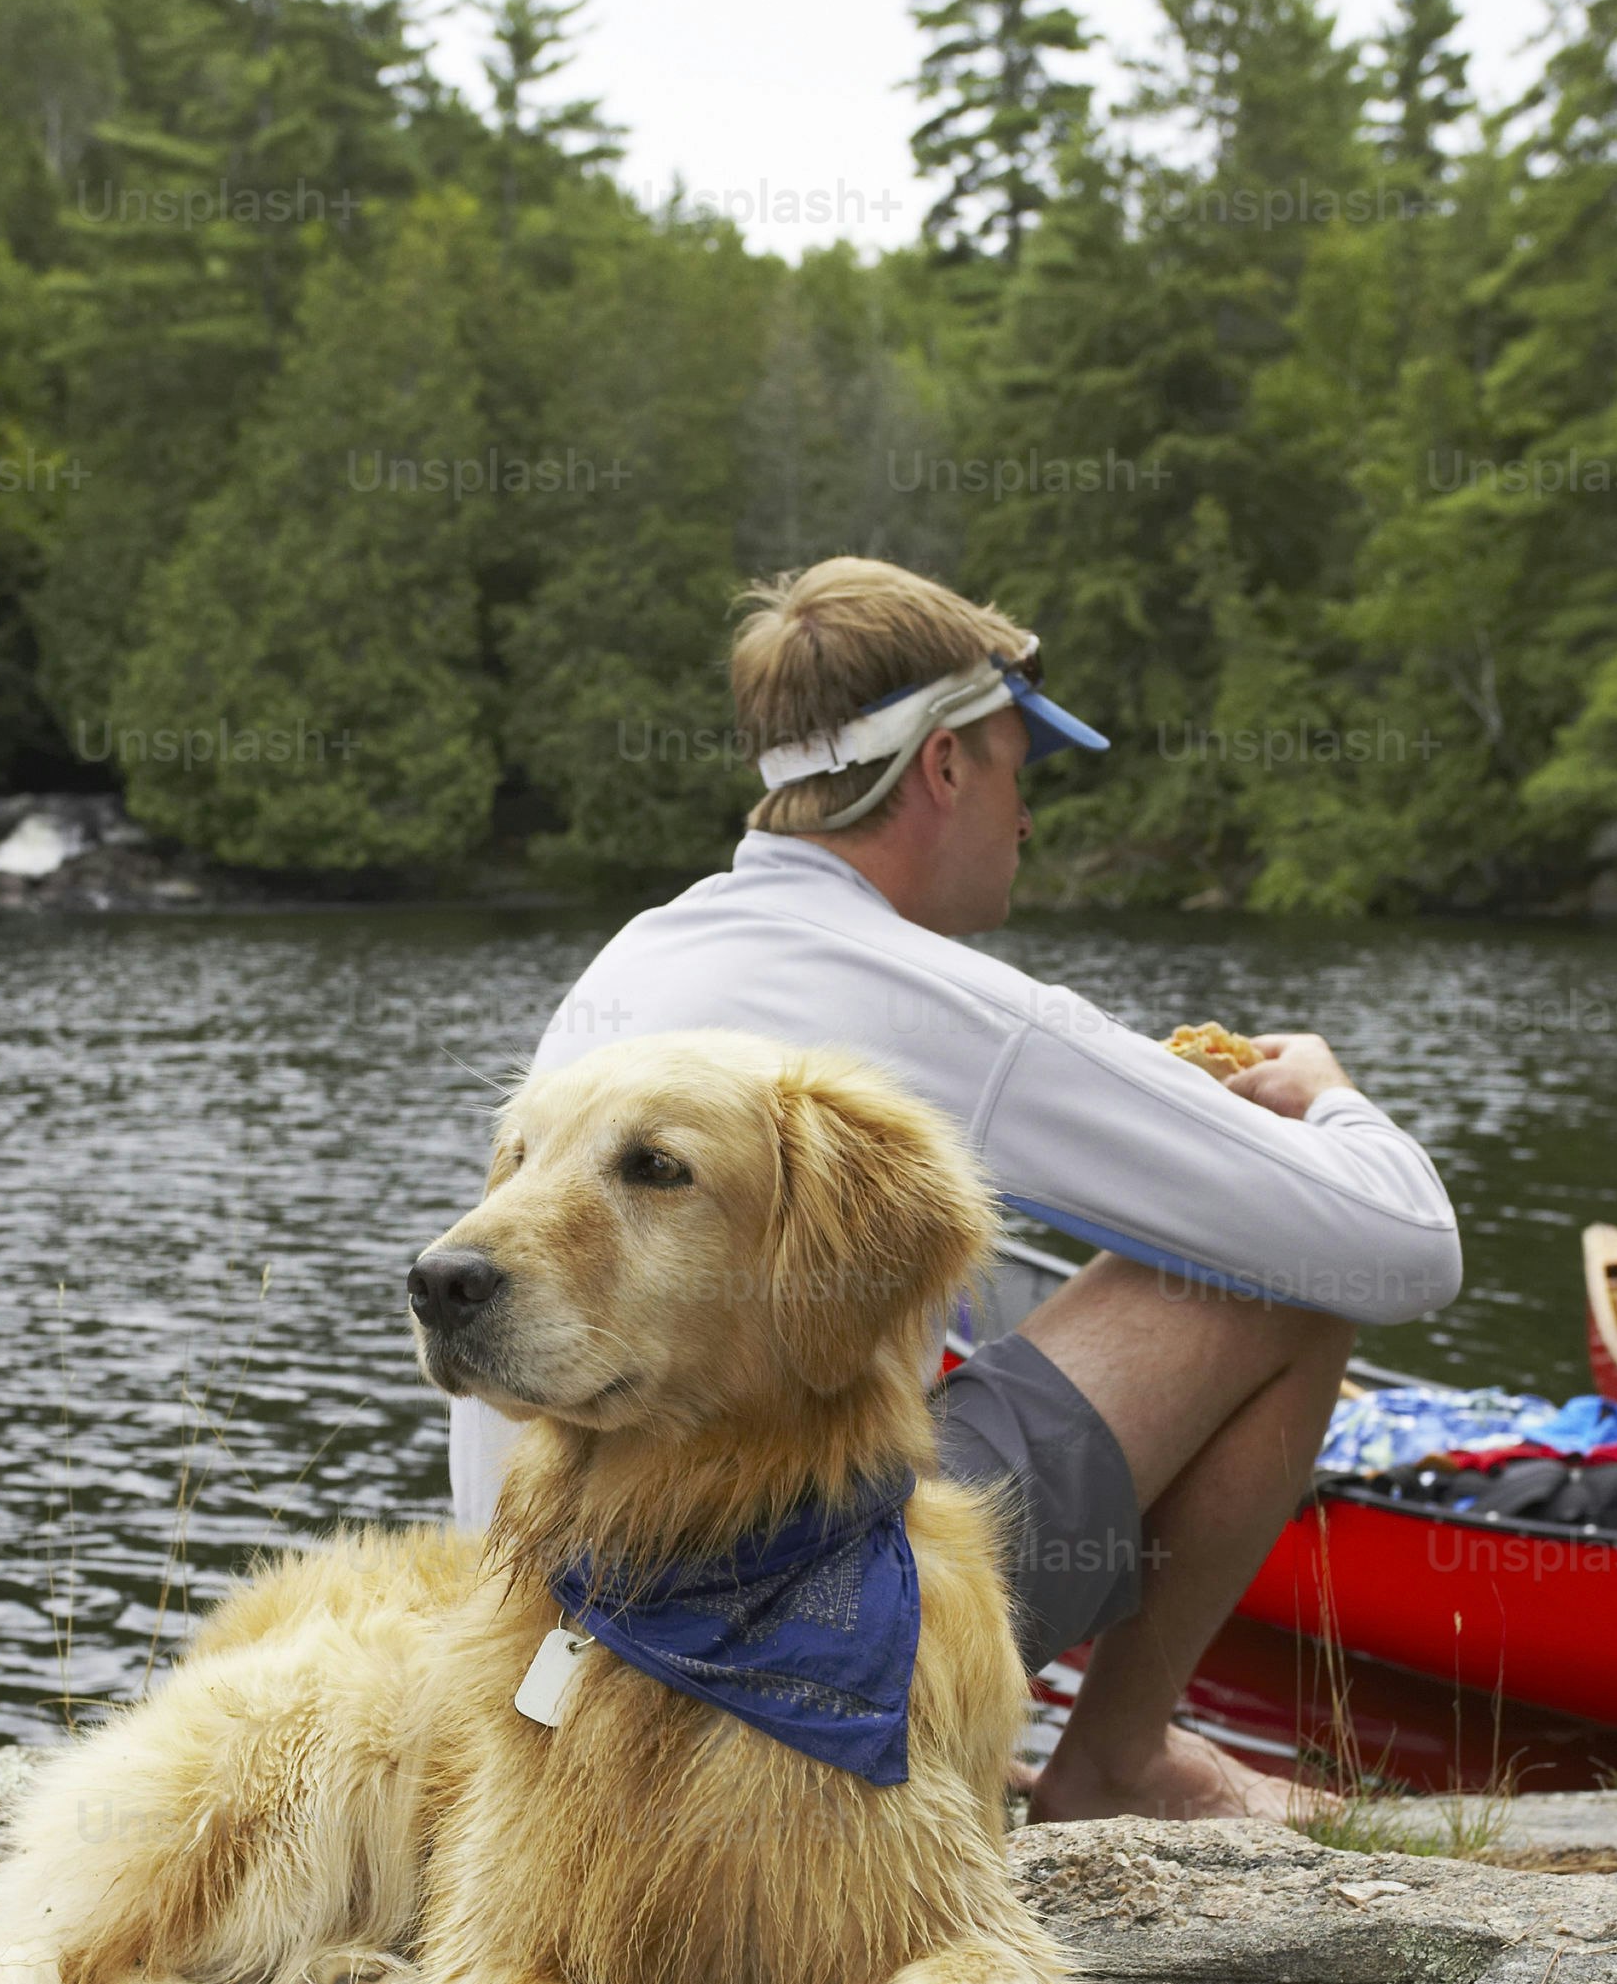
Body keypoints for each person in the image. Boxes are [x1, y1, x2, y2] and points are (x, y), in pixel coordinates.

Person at [450, 558, 1462, 1823]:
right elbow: (1404, 1245)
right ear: (945, 767)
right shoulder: (947, 1006)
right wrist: (1326, 1097)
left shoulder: (643, 952)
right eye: (1017, 769)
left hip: (555, 1627)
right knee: (1287, 1282)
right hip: (759, 1628)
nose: (1025, 819)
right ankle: (1119, 1763)